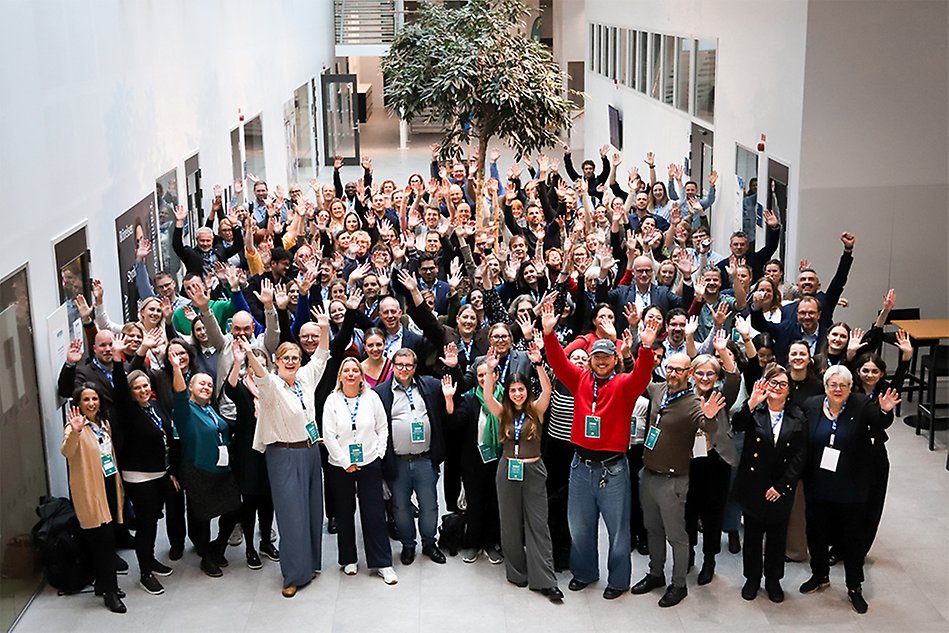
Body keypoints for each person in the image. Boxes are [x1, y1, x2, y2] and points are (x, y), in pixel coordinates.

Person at [540, 300, 657, 600]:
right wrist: (549, 334)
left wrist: (644, 348)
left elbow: (643, 376)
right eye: (597, 357)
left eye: (606, 357)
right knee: (579, 527)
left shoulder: (623, 385)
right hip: (580, 465)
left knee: (618, 531)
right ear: (590, 360)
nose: (601, 361)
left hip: (613, 469)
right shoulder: (579, 380)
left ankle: (618, 580)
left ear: (614, 359)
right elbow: (556, 361)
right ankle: (585, 573)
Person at [798, 365, 900, 614]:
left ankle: (854, 587)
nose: (837, 389)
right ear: (825, 387)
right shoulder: (811, 406)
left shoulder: (861, 404)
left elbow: (880, 421)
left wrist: (886, 411)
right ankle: (819, 575)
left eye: (843, 385)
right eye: (832, 384)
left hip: (851, 487)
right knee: (816, 534)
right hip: (818, 485)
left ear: (850, 387)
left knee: (851, 541)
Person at [631, 352, 727, 608]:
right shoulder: (659, 389)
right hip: (648, 473)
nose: (673, 374)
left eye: (680, 370)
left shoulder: (694, 402)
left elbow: (709, 428)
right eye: (670, 368)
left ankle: (679, 584)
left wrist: (710, 416)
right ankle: (655, 573)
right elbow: (638, 378)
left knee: (677, 536)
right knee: (652, 529)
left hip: (673, 480)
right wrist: (635, 352)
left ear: (688, 374)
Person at [243, 323, 329, 597]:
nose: (291, 362)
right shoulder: (272, 386)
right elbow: (261, 377)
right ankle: (293, 575)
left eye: (295, 358)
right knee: (292, 516)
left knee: (314, 510)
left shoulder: (305, 378)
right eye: (285, 358)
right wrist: (249, 354)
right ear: (277, 362)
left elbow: (322, 354)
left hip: (311, 451)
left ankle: (311, 564)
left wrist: (325, 328)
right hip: (284, 454)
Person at [483, 342, 563, 602]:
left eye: (521, 389)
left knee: (538, 524)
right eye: (513, 390)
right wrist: (491, 371)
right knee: (509, 524)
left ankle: (545, 580)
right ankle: (517, 573)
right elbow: (487, 398)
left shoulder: (536, 410)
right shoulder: (503, 412)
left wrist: (539, 364)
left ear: (527, 392)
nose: (517, 394)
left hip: (534, 470)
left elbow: (548, 390)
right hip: (507, 470)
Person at [106, 339, 176, 597]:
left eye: (145, 385)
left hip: (160, 473)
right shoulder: (128, 410)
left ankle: (151, 560)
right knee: (145, 526)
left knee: (153, 521)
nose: (143, 390)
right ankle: (145, 572)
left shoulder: (154, 407)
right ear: (131, 392)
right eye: (137, 388)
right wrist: (117, 359)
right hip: (139, 476)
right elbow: (120, 389)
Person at [731, 366, 806, 603]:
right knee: (752, 538)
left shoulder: (798, 416)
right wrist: (751, 402)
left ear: (789, 391)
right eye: (772, 383)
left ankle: (773, 580)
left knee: (776, 539)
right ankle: (752, 579)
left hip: (780, 487)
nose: (776, 388)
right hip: (754, 485)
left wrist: (782, 486)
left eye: (782, 384)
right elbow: (738, 424)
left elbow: (800, 456)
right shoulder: (755, 411)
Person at [322, 358, 397, 584]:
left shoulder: (372, 397)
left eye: (355, 370)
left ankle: (382, 563)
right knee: (344, 514)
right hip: (340, 465)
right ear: (340, 376)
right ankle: (349, 559)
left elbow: (382, 428)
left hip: (369, 462)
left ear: (361, 375)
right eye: (347, 370)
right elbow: (328, 436)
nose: (351, 374)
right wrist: (345, 462)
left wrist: (379, 453)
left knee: (374, 513)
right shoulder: (332, 401)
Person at [373, 348, 449, 566]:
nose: (404, 369)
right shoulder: (381, 393)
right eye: (399, 365)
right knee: (401, 508)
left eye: (408, 365)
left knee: (429, 505)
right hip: (397, 462)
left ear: (415, 367)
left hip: (425, 459)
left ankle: (429, 543)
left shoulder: (430, 386)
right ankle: (408, 545)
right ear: (393, 367)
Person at [170, 358, 242, 578]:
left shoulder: (211, 409)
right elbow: (179, 395)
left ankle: (217, 547)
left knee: (235, 509)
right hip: (198, 470)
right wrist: (176, 369)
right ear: (190, 386)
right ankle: (207, 558)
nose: (206, 387)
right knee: (202, 516)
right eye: (201, 383)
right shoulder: (186, 411)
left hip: (221, 469)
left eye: (209, 385)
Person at [61, 385, 126, 613]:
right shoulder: (74, 427)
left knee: (107, 541)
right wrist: (76, 431)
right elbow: (67, 451)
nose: (91, 403)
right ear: (78, 403)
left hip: (107, 485)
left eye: (94, 398)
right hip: (91, 491)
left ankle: (104, 584)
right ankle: (111, 592)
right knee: (104, 544)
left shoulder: (103, 424)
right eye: (86, 399)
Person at [224, 342, 278, 575]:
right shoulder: (243, 388)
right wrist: (237, 361)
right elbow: (230, 387)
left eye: (263, 365)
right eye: (253, 364)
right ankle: (249, 548)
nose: (257, 368)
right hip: (248, 452)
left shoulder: (273, 388)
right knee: (250, 503)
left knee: (268, 501)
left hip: (271, 450)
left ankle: (266, 541)